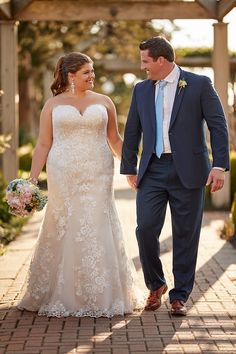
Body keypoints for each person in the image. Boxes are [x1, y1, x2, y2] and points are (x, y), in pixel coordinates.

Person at [18, 52, 142, 318]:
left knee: (97, 221)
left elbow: (115, 140)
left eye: (93, 71)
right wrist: (31, 179)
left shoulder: (105, 102)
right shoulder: (52, 105)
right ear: (70, 75)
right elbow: (43, 144)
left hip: (99, 170)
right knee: (63, 222)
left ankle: (102, 293)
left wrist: (133, 167)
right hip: (63, 170)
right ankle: (61, 292)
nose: (92, 76)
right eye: (87, 72)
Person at [121, 36, 229, 316]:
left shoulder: (199, 84)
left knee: (185, 234)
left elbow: (218, 126)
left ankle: (179, 295)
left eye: (145, 61)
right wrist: (129, 167)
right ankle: (156, 284)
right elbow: (133, 131)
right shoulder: (141, 90)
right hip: (153, 170)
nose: (142, 66)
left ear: (161, 60)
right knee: (145, 228)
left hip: (190, 171)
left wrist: (220, 165)